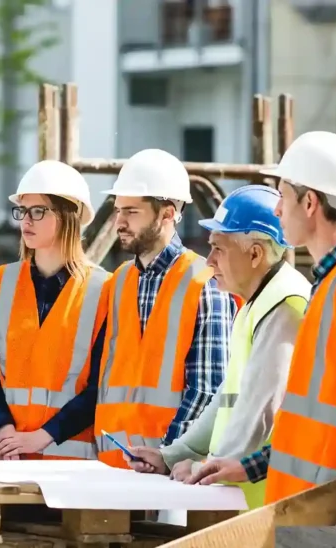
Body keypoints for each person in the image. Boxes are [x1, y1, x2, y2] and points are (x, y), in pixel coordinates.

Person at [185, 132, 336, 541]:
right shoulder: (329, 287)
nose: (277, 208)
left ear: (309, 203)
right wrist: (249, 466)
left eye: (283, 196)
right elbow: (310, 423)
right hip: (311, 514)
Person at [125, 185, 310, 510]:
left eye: (218, 249)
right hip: (250, 500)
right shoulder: (256, 303)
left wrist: (206, 467)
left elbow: (259, 412)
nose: (209, 262)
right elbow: (227, 400)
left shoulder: (284, 304)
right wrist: (173, 456)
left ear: (255, 254)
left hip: (273, 506)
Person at [94, 148, 239, 469]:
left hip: (172, 471)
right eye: (118, 211)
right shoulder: (118, 281)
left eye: (131, 212)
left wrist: (168, 454)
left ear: (168, 213)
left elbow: (207, 388)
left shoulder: (205, 282)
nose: (119, 222)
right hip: (112, 465)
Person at [0, 160, 109, 461]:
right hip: (3, 460)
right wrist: (4, 430)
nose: (26, 221)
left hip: (68, 469)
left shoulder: (104, 290)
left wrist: (42, 437)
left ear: (67, 215)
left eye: (38, 211)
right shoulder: (1, 281)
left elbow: (101, 386)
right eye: (22, 211)